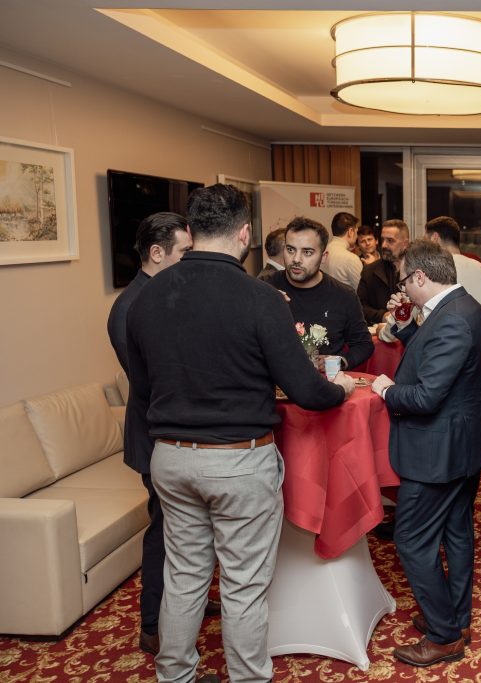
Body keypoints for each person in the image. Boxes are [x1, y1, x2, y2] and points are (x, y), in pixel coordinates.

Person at [126, 184, 355, 683]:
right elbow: (306, 391)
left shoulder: (146, 295)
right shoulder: (261, 298)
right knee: (243, 585)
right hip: (237, 460)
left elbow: (142, 388)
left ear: (191, 230)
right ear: (246, 233)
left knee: (183, 577)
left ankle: (175, 675)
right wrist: (338, 388)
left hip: (171, 458)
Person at [369, 239, 481, 668]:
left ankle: (443, 635)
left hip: (437, 452)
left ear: (420, 276)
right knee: (456, 534)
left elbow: (425, 396)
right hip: (460, 447)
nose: (403, 288)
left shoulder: (453, 318)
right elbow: (432, 353)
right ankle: (457, 620)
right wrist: (405, 326)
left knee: (411, 540)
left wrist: (386, 390)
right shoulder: (461, 308)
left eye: (405, 280)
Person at [106, 211, 205, 656]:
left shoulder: (164, 293)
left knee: (186, 531)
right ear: (157, 253)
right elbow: (153, 381)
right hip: (155, 436)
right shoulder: (131, 308)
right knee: (165, 533)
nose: (191, 259)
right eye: (185, 252)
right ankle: (153, 626)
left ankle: (185, 603)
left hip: (172, 432)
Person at [266, 217, 373, 369]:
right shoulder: (265, 288)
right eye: (290, 250)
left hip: (324, 380)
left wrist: (339, 362)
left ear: (323, 257)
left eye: (307, 252)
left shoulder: (344, 296)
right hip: (275, 381)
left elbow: (363, 344)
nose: (296, 259)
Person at [424, 215, 481, 323]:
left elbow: (428, 317)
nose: (425, 249)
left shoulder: (439, 269)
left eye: (425, 241)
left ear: (435, 238)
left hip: (453, 332)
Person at [358, 219, 410, 323]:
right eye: (383, 240)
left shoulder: (418, 272)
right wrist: (382, 316)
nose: (384, 245)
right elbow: (359, 306)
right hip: (379, 330)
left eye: (390, 240)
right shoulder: (369, 271)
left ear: (405, 244)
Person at [322, 211, 363, 291]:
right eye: (356, 231)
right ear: (351, 232)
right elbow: (363, 291)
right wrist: (369, 269)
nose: (356, 236)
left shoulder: (322, 252)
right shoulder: (351, 259)